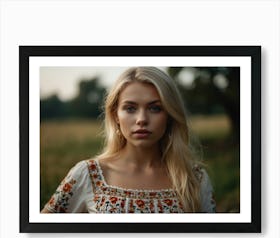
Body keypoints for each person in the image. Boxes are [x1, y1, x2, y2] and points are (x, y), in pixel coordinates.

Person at [41, 67, 216, 213]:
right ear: (115, 115)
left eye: (155, 108)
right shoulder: (87, 174)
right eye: (130, 108)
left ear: (170, 115)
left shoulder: (194, 180)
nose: (141, 119)